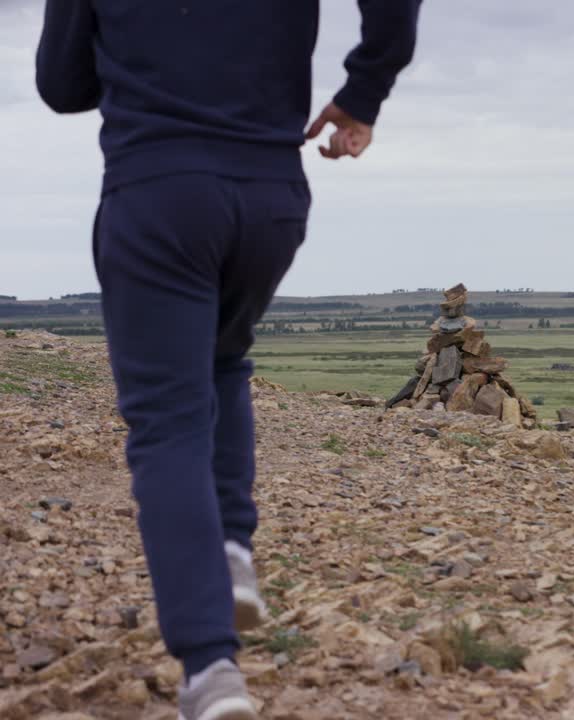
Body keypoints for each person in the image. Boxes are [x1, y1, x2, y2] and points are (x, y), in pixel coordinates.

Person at [36, 2, 421, 718]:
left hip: (158, 189)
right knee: (224, 359)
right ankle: (233, 552)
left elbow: (61, 85)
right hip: (270, 197)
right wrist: (365, 90)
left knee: (166, 427)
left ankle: (210, 668)